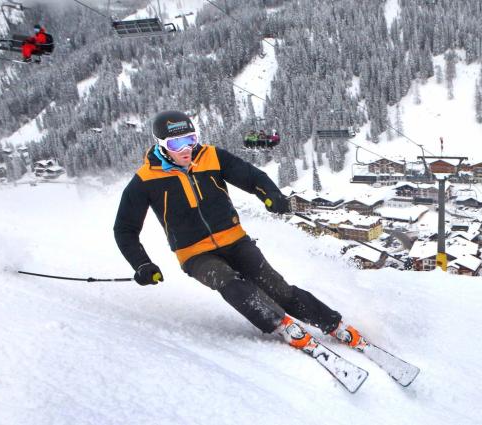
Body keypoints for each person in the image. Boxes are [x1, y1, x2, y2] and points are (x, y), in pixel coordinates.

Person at [114, 110, 367, 353]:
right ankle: (281, 324)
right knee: (228, 281)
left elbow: (251, 177)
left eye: (190, 140)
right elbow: (125, 229)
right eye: (176, 143)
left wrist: (271, 196)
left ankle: (334, 325)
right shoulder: (145, 180)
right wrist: (142, 264)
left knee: (279, 289)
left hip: (236, 241)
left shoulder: (211, 157)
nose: (186, 149)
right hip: (195, 255)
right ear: (161, 144)